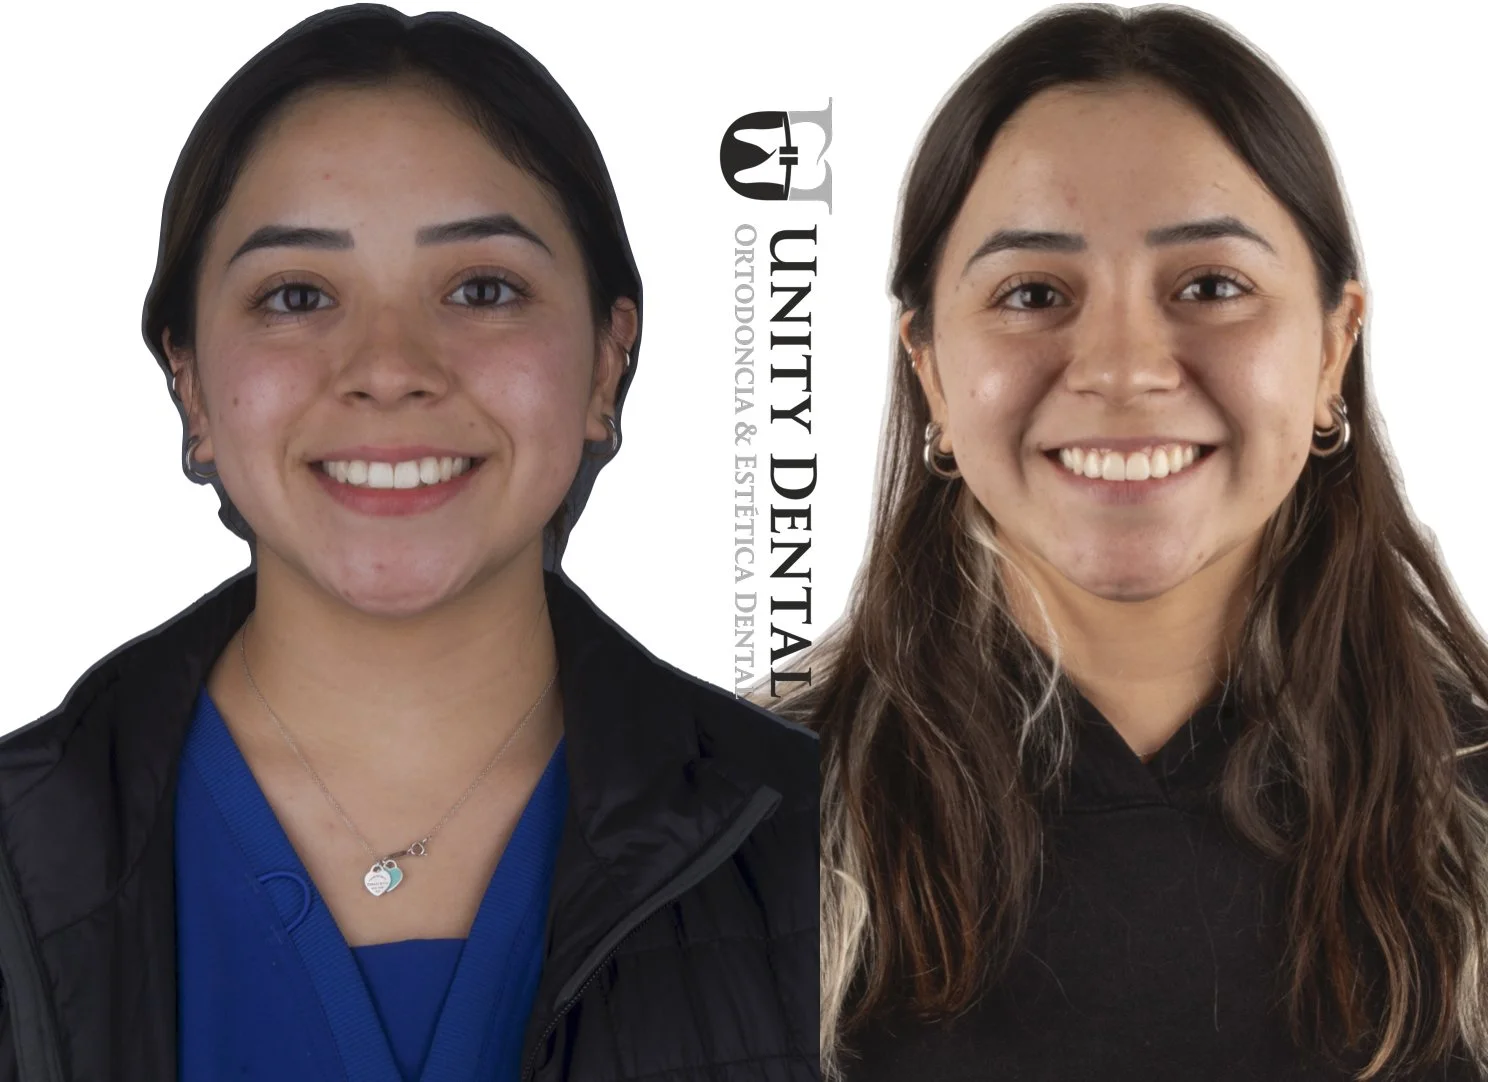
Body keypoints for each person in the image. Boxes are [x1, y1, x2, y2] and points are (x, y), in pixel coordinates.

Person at [0, 7, 818, 1081]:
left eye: (482, 289)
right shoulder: (19, 855)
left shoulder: (839, 849)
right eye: (297, 295)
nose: (389, 366)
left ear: (607, 366)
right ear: (191, 383)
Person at [781, 5, 1488, 1080]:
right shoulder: (727, 840)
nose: (1120, 366)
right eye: (1032, 294)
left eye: (1210, 286)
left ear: (1334, 345)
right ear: (926, 363)